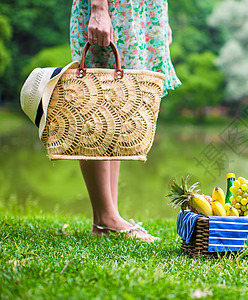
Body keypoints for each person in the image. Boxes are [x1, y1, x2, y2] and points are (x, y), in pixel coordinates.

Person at [70, 0, 181, 242]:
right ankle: (104, 217)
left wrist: (160, 18)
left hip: (142, 12)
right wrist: (99, 8)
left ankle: (108, 217)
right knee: (98, 103)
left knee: (119, 107)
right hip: (118, 8)